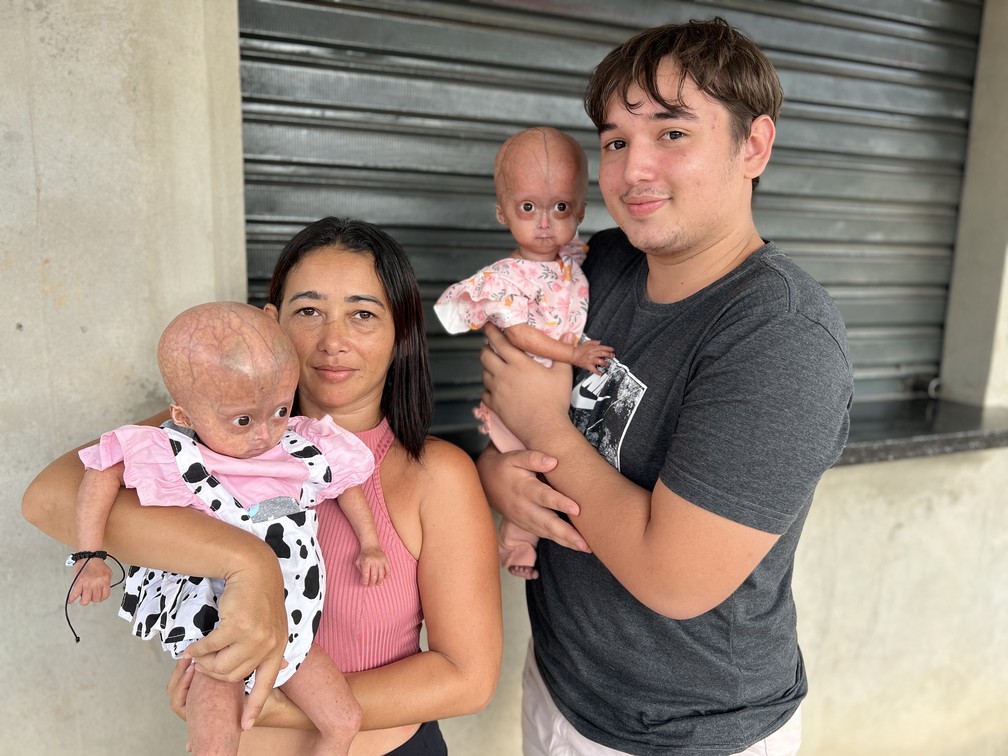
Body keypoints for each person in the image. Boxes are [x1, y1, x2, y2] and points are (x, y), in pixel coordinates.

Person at [477, 17, 853, 756]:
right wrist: (501, 475)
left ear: (754, 146)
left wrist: (546, 429)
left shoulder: (779, 338)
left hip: (689, 733)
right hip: (562, 683)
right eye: (616, 141)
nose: (632, 170)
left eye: (671, 133)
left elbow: (675, 578)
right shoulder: (600, 268)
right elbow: (508, 404)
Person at [23, 218, 502, 755]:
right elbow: (47, 498)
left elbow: (467, 678)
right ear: (268, 324)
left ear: (401, 333)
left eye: (363, 314)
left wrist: (282, 708)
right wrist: (247, 565)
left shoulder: (435, 474)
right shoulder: (204, 431)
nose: (332, 341)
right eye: (308, 311)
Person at [66, 301, 387, 755]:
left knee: (344, 721)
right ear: (184, 416)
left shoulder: (299, 446)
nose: (264, 433)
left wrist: (369, 543)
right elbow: (101, 471)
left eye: (279, 408)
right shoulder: (177, 455)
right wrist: (89, 555)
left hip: (291, 630)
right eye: (242, 420)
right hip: (216, 638)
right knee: (215, 744)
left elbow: (343, 484)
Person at [433, 126, 613, 579]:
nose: (544, 222)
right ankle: (516, 542)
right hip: (522, 391)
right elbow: (519, 336)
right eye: (528, 207)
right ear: (502, 212)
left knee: (546, 468)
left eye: (561, 207)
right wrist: (574, 357)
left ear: (581, 211)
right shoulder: (506, 279)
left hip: (556, 395)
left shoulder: (572, 259)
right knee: (528, 469)